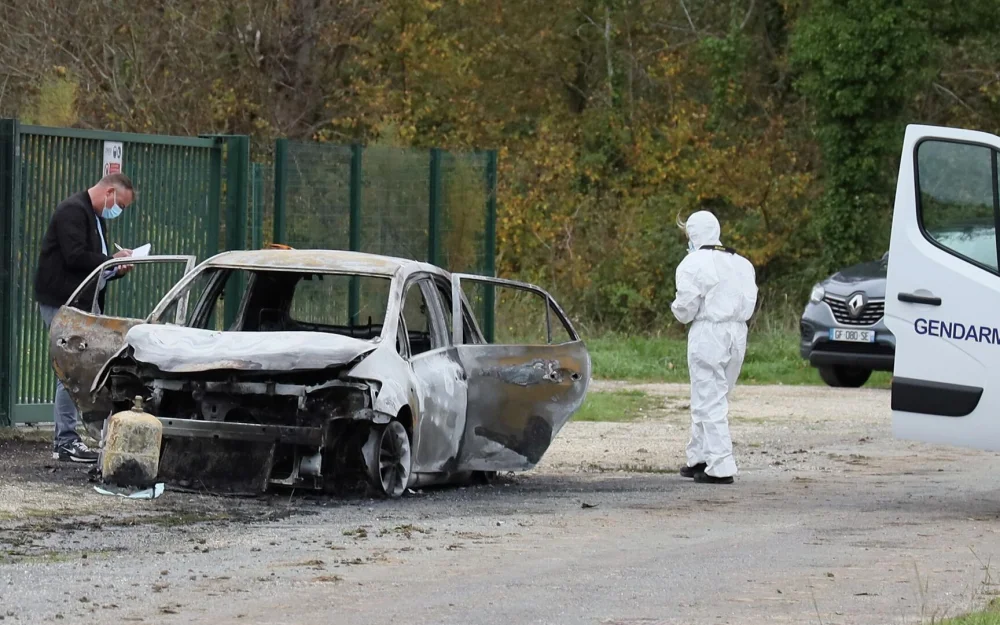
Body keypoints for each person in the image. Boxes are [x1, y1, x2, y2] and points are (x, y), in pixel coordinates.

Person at [33, 173, 135, 463]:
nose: (119, 211)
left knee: (82, 371)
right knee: (72, 372)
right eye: (121, 205)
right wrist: (112, 261)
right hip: (65, 304)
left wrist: (115, 270)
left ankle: (71, 438)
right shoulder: (72, 211)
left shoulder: (93, 215)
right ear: (110, 193)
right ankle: (66, 441)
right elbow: (76, 257)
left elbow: (92, 265)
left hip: (83, 303)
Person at [671, 211, 757, 485]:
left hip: (709, 332)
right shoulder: (742, 263)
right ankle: (698, 457)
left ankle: (721, 465)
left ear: (694, 235)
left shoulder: (692, 263)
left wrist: (676, 309)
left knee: (709, 397)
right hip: (738, 333)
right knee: (714, 396)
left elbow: (685, 309)